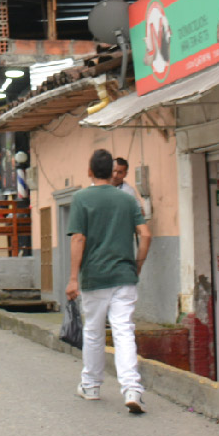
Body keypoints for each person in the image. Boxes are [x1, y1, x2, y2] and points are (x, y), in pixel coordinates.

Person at [66, 148, 151, 414]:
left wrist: (72, 279)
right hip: (124, 276)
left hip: (95, 276)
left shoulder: (81, 198)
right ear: (112, 172)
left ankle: (91, 386)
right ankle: (132, 388)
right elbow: (146, 235)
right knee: (123, 330)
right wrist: (137, 264)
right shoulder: (127, 200)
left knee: (93, 331)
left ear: (90, 171)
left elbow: (79, 238)